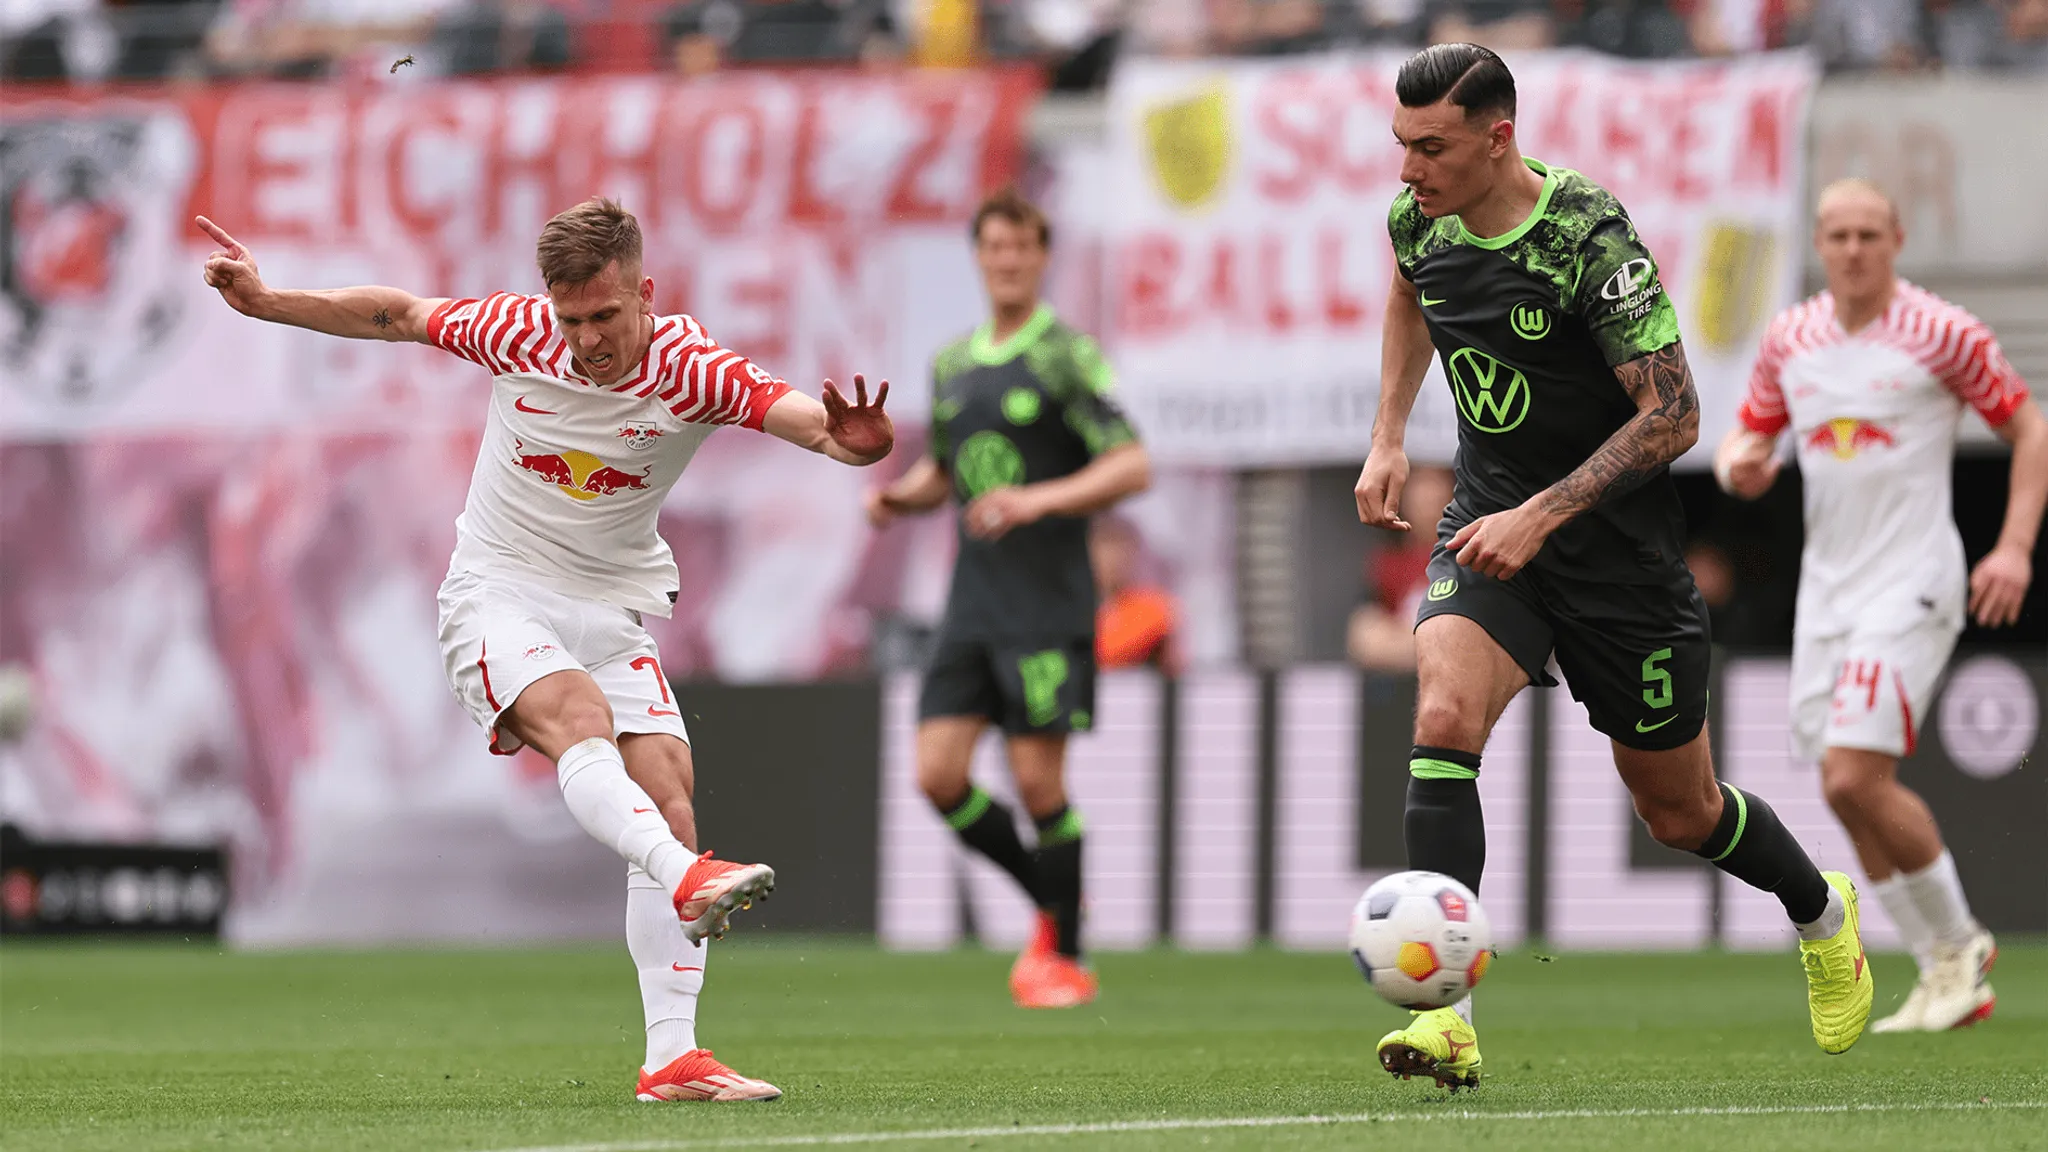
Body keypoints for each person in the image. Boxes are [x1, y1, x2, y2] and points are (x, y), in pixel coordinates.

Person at [196, 198, 894, 1102]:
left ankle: (671, 1058)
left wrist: (848, 445)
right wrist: (267, 301)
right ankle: (685, 881)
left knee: (671, 795)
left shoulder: (693, 368)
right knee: (582, 722)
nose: (587, 340)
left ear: (645, 293)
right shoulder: (517, 332)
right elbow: (399, 315)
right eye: (571, 319)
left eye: (605, 317)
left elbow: (804, 419)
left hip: (610, 609)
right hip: (497, 593)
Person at [1353, 44, 1872, 1089]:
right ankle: (1446, 1018)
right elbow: (1411, 295)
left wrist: (1543, 513)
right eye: (1400, 146)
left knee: (1680, 812)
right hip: (1486, 525)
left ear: (1497, 137)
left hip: (1617, 563)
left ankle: (1819, 910)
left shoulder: (1585, 237)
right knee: (1443, 717)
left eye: (1431, 148)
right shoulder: (1418, 217)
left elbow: (1674, 414)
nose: (1407, 171)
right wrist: (1386, 437)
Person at [1714, 179, 2044, 1034]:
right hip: (1829, 593)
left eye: (1869, 233)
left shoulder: (1943, 331)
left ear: (1897, 238)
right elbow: (1749, 435)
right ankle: (1942, 969)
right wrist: (1738, 466)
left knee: (1855, 773)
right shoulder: (1793, 337)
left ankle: (1963, 944)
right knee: (1845, 789)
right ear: (1819, 244)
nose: (1854, 249)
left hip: (1914, 581)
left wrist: (2012, 546)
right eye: (1838, 235)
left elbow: (2029, 428)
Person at [865, 188, 1150, 1009]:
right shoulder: (953, 363)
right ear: (980, 256)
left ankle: (1065, 956)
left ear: (1041, 255)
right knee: (937, 775)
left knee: (1037, 787)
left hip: (1045, 605)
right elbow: (947, 473)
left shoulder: (1067, 354)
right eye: (995, 247)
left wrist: (1039, 500)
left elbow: (1131, 464)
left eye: (1022, 247)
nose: (1008, 261)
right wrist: (895, 499)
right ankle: (1054, 900)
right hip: (971, 605)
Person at [1348, 464, 1455, 670]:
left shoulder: (1467, 558)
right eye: (1420, 485)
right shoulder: (1387, 562)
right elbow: (1363, 638)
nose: (1428, 497)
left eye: (1436, 484)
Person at [1092, 515, 1182, 675]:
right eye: (1106, 550)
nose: (1115, 561)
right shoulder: (1068, 608)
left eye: (1123, 551)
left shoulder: (1152, 610)